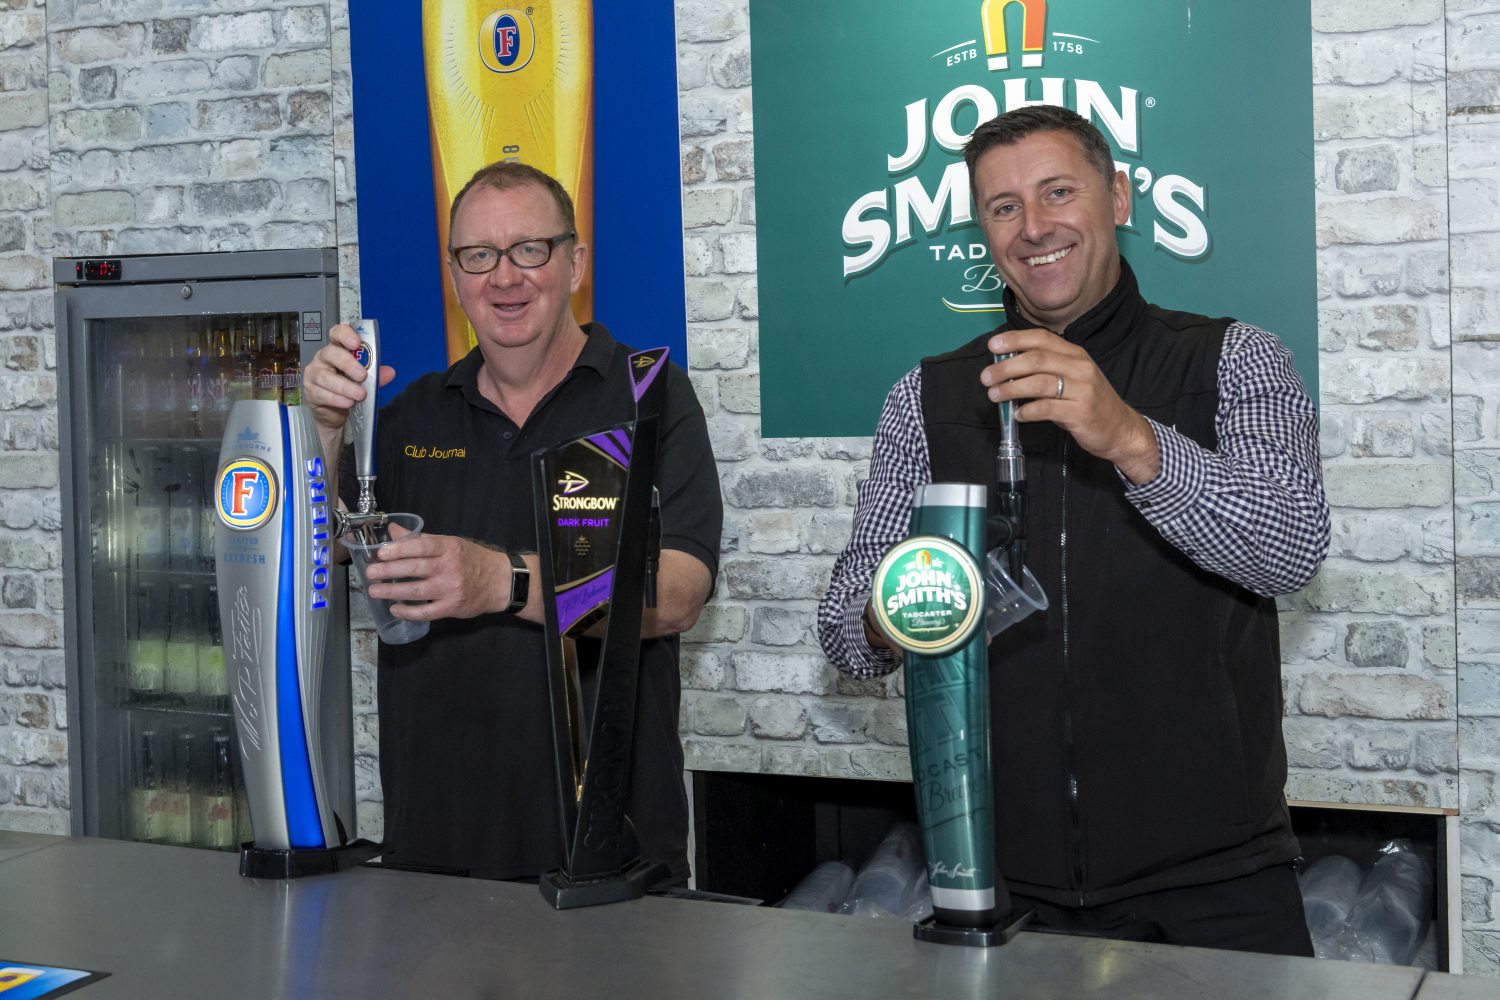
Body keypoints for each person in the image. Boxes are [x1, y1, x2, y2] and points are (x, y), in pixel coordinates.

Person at [817, 106, 1330, 955]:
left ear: (1118, 197)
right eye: (1004, 206)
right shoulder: (927, 396)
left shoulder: (1233, 359)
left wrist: (1132, 438)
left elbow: (1291, 547)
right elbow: (845, 632)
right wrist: (902, 609)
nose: (1033, 227)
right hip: (1001, 884)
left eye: (1059, 192)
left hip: (1219, 883)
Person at [302, 161, 722, 883]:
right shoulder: (410, 416)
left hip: (607, 854)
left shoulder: (648, 395)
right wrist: (324, 428)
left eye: (529, 249)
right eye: (478, 255)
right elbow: (318, 549)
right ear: (454, 275)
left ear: (574, 263)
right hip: (434, 848)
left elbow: (679, 593)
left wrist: (502, 580)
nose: (504, 277)